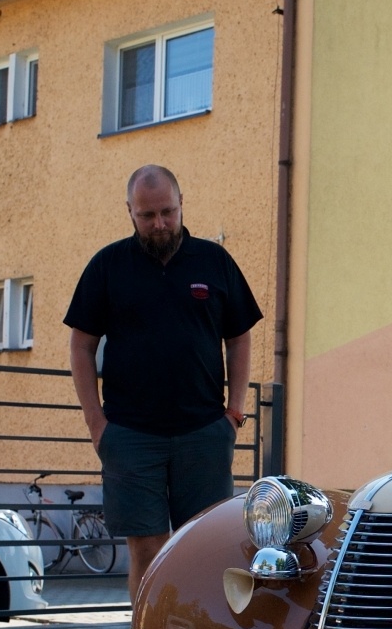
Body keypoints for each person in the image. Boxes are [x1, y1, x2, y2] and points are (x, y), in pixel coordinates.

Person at [65, 165, 261, 599]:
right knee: (147, 550)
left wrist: (235, 410)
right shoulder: (108, 265)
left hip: (204, 432)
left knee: (206, 548)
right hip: (131, 435)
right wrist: (96, 424)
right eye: (147, 215)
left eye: (167, 213)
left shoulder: (214, 261)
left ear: (181, 203)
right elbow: (81, 346)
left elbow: (240, 336)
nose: (159, 224)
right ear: (129, 212)